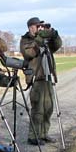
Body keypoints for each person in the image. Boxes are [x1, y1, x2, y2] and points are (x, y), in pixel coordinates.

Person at [20, 17, 62, 145]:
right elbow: (29, 54)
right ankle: (33, 136)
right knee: (38, 109)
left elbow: (57, 45)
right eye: (37, 26)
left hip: (48, 77)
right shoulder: (25, 40)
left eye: (40, 26)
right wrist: (39, 39)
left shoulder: (45, 40)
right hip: (36, 79)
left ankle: (44, 134)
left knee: (48, 108)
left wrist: (54, 35)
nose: (39, 28)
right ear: (31, 27)